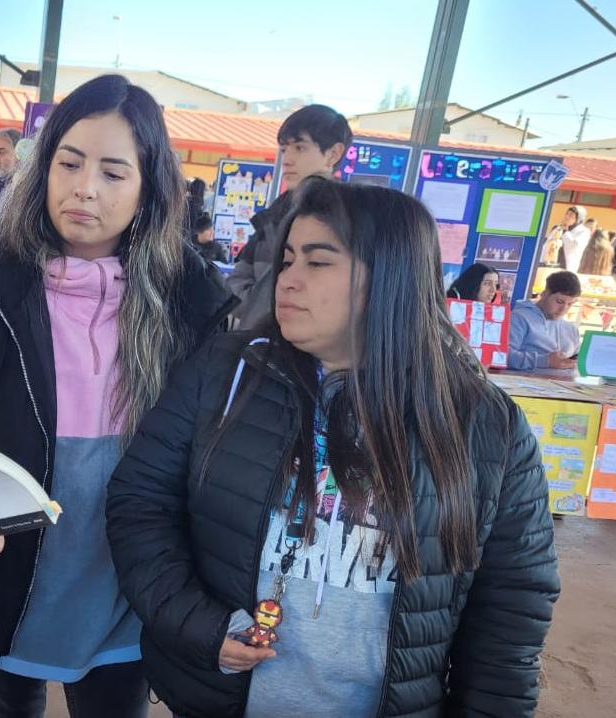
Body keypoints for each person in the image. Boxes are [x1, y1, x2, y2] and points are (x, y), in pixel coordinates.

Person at [107, 177, 559, 718]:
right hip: (220, 701)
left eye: (317, 263)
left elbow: (512, 608)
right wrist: (202, 627)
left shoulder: (486, 427)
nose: (287, 280)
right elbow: (140, 504)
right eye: (288, 259)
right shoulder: (226, 373)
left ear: (390, 278)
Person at [0, 74, 233, 718]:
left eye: (113, 171)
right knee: (8, 705)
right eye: (69, 163)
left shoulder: (194, 308)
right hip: (6, 573)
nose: (85, 188)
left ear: (147, 187)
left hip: (129, 583)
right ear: (43, 170)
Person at [229, 104, 351, 329]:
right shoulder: (272, 217)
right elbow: (235, 283)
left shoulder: (348, 219)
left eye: (300, 148)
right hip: (259, 349)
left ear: (333, 154)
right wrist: (257, 309)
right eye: (285, 149)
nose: (286, 159)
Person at [508, 271, 581, 375]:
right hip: (525, 385)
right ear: (544, 294)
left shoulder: (571, 329)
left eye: (570, 304)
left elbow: (578, 361)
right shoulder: (519, 318)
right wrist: (544, 361)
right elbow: (503, 356)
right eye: (559, 301)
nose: (563, 309)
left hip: (564, 385)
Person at [551, 206, 591, 271]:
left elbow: (574, 245)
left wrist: (565, 232)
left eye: (571, 215)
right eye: (566, 214)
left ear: (578, 219)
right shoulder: (559, 228)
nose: (567, 217)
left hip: (567, 265)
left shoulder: (584, 231)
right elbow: (548, 243)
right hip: (553, 263)